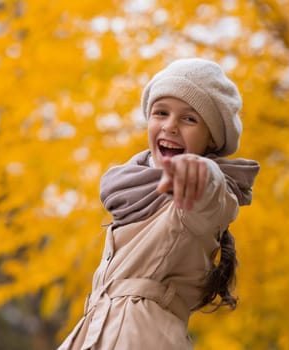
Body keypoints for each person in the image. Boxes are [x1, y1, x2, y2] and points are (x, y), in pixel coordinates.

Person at [58, 58, 260, 349]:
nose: (170, 126)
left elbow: (213, 198)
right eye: (160, 113)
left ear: (211, 139)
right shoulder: (132, 190)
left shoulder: (193, 199)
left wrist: (202, 172)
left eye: (189, 118)